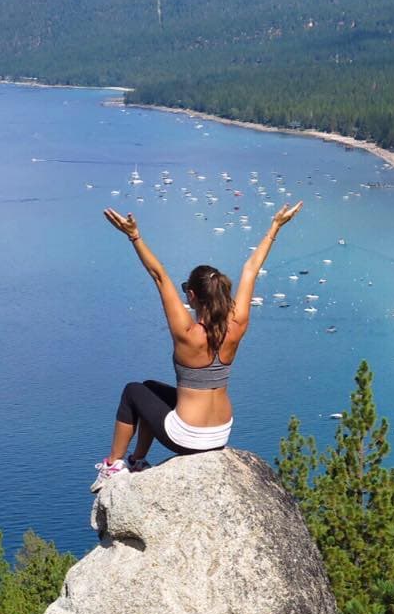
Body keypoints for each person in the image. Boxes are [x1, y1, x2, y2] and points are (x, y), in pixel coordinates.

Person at [91, 200, 303, 492]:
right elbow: (251, 269)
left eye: (186, 294)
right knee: (150, 388)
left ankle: (113, 465)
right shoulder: (237, 324)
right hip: (221, 433)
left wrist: (134, 236)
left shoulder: (188, 334)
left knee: (132, 392)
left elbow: (159, 275)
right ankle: (138, 460)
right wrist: (276, 226)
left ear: (191, 295)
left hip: (187, 437)